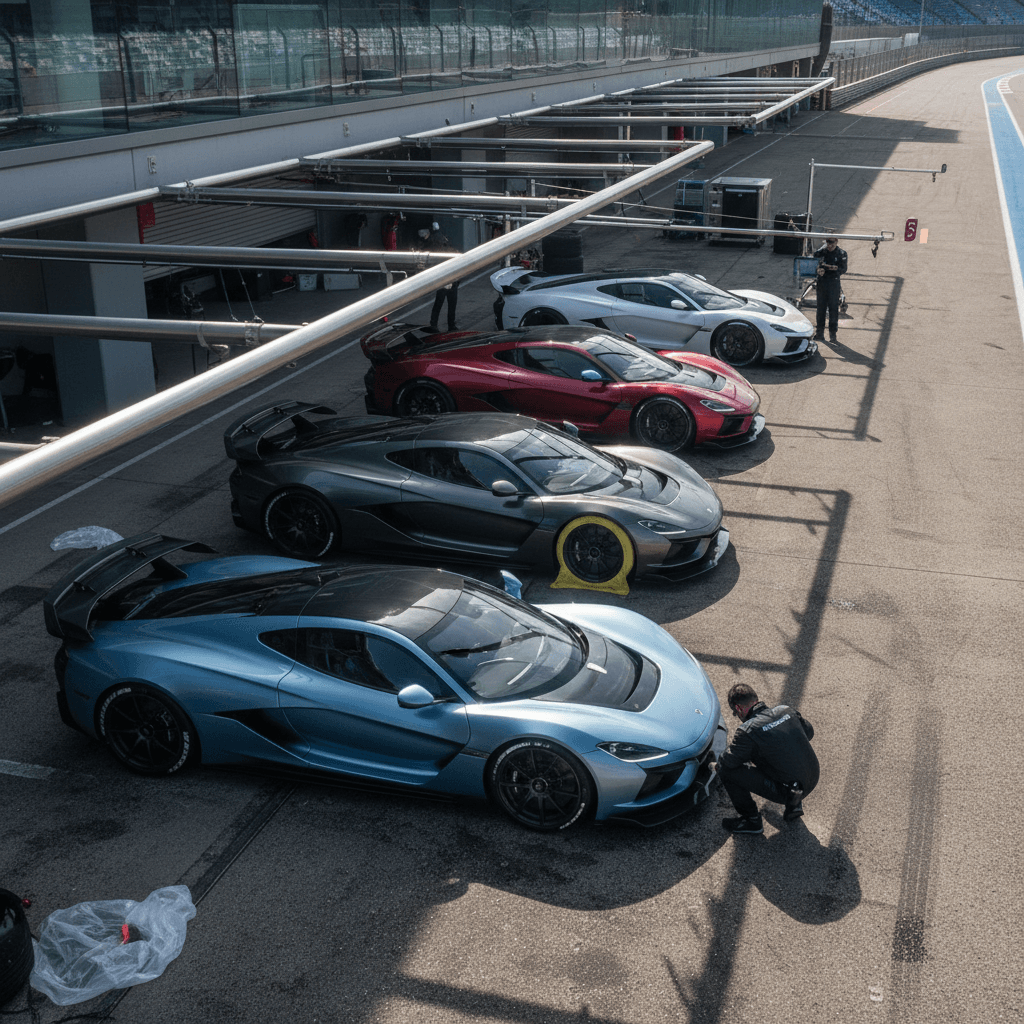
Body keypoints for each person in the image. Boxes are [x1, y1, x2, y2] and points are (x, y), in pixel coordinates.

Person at [714, 683, 819, 835]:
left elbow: (727, 762)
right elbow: (809, 733)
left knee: (726, 771)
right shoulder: (786, 710)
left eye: (735, 713)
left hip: (787, 789)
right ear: (755, 699)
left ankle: (751, 821)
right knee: (773, 753)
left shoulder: (748, 730)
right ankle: (795, 802)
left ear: (738, 709)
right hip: (813, 777)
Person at [419, 222, 461, 332]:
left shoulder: (433, 241)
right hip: (452, 278)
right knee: (451, 305)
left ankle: (434, 324)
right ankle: (451, 326)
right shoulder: (444, 240)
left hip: (443, 278)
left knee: (439, 303)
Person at [812, 235, 848, 344]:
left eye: (832, 243)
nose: (830, 246)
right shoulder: (823, 252)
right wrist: (818, 269)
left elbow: (843, 269)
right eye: (828, 243)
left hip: (833, 283)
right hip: (822, 283)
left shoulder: (841, 254)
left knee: (833, 310)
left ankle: (833, 334)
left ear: (836, 242)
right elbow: (814, 257)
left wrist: (834, 268)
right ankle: (819, 333)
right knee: (821, 309)